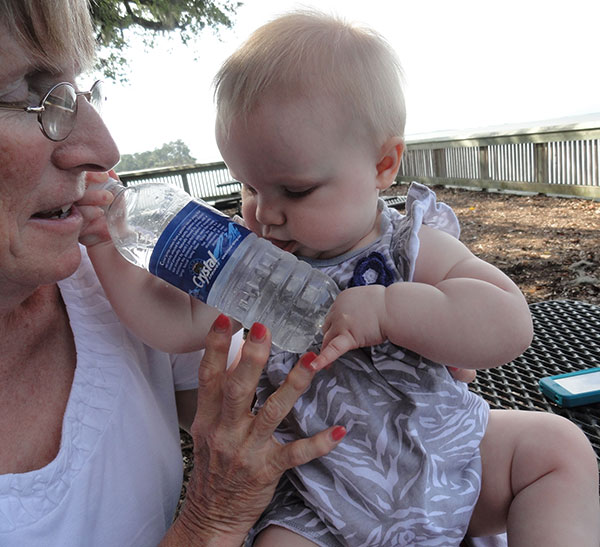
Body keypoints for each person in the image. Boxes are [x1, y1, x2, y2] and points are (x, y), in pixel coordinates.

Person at [83, 10, 600, 547]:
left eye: (296, 190)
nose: (266, 214)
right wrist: (102, 245)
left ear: (383, 164)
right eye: (249, 187)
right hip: (321, 496)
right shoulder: (249, 259)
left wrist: (390, 310)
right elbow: (175, 324)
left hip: (448, 460)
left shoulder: (408, 248)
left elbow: (508, 322)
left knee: (554, 448)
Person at [0, 1, 346, 545]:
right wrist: (210, 521)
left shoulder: (98, 270)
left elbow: (244, 395)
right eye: (29, 97)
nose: (103, 148)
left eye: (79, 92)